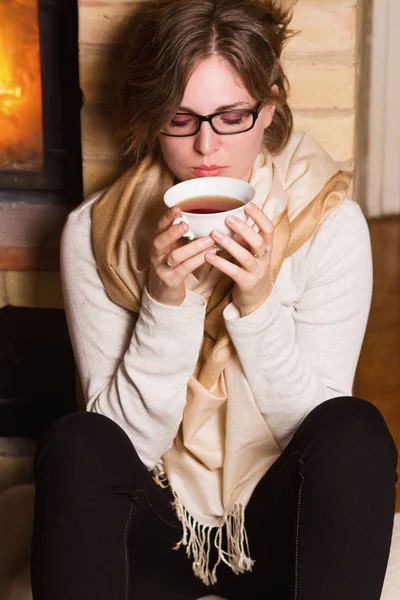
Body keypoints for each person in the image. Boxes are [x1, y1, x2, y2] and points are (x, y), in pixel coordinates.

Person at [30, 1, 398, 599]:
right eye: (181, 118)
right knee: (76, 441)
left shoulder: (330, 225)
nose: (207, 146)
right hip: (158, 527)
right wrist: (163, 303)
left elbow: (319, 434)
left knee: (356, 429)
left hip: (275, 531)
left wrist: (259, 305)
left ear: (269, 106)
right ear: (154, 119)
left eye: (232, 117)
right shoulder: (96, 233)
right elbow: (116, 447)